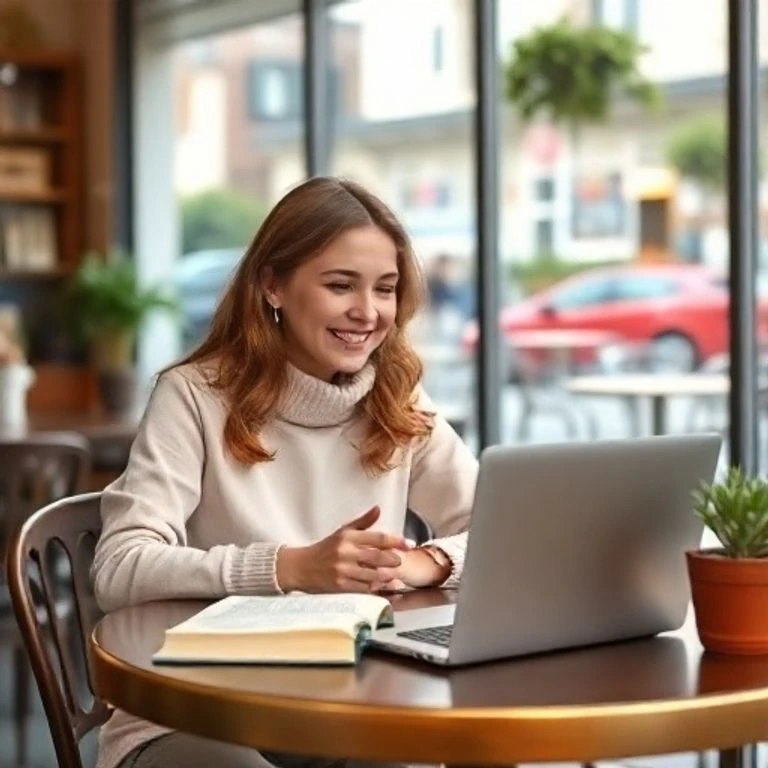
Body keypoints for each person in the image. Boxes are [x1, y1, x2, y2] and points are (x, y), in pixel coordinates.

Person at [92, 176, 478, 768]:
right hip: (197, 712)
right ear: (273, 284)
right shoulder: (194, 396)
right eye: (340, 285)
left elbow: (504, 531)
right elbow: (119, 566)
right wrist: (291, 567)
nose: (368, 313)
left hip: (352, 707)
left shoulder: (399, 399)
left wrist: (423, 561)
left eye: (386, 289)